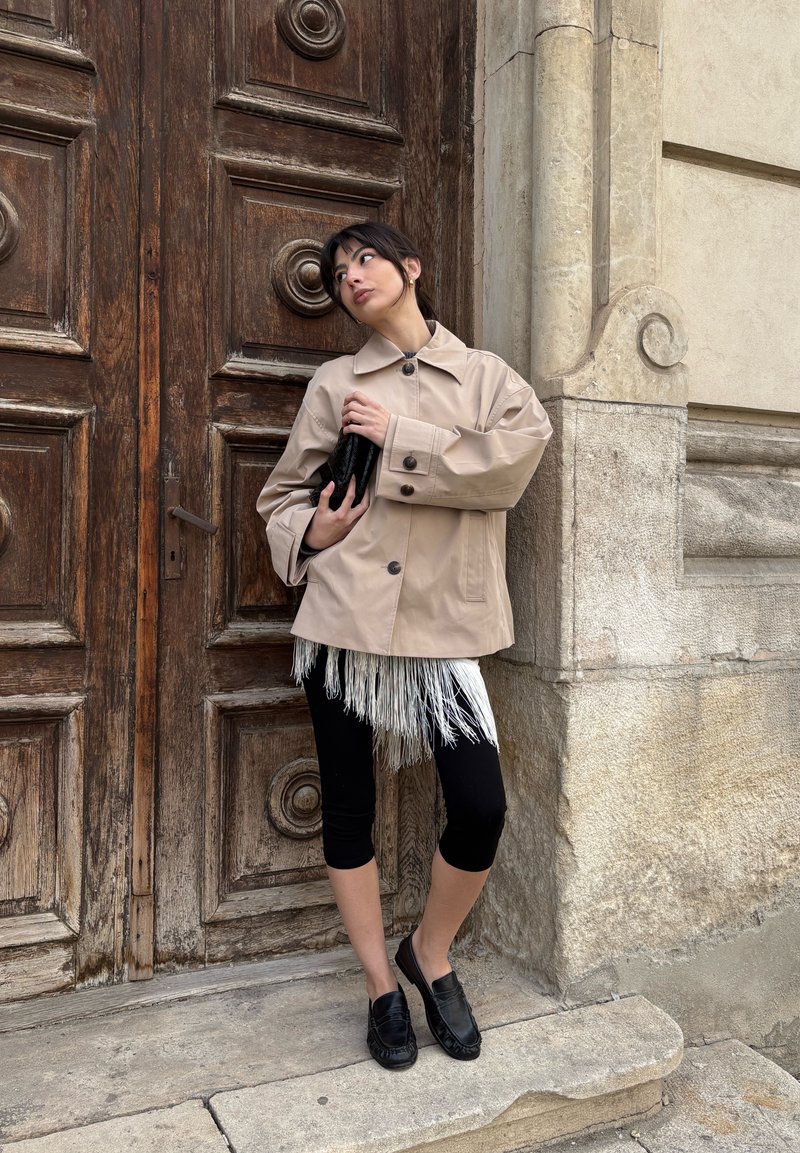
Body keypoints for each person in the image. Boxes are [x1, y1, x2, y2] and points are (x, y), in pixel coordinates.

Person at [257, 221, 552, 1070]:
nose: (351, 276)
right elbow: (279, 498)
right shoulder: (333, 381)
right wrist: (313, 527)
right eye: (338, 270)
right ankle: (382, 986)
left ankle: (433, 950)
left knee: (482, 806)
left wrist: (401, 437)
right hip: (345, 624)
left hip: (444, 632)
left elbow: (514, 464)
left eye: (367, 259)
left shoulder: (486, 377)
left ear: (410, 268)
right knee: (349, 809)